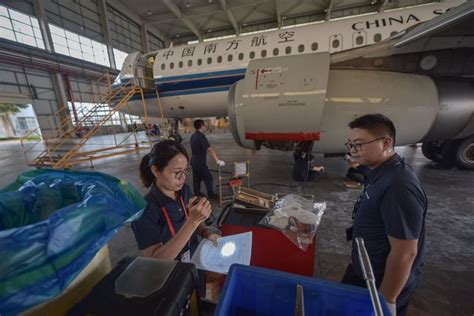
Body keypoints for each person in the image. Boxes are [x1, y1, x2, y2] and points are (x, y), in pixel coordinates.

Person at [341, 113, 427, 316]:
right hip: (365, 270)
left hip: (378, 282)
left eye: (359, 144)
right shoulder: (379, 171)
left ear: (386, 143)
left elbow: (405, 252)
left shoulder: (398, 186)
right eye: (350, 144)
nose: (353, 151)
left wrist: (386, 300)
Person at [131, 140, 220, 292]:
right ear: (156, 171)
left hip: (194, 262)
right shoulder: (145, 210)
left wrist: (206, 232)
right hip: (170, 278)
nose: (182, 178)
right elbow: (156, 261)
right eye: (177, 172)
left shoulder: (184, 191)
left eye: (185, 171)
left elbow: (193, 219)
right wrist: (192, 221)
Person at [190, 119, 225, 198]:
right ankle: (211, 195)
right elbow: (210, 149)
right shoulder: (201, 137)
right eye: (204, 125)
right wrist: (218, 160)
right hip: (200, 162)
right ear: (201, 126)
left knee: (196, 179)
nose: (205, 127)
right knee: (208, 178)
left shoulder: (193, 136)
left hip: (193, 161)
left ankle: (197, 194)